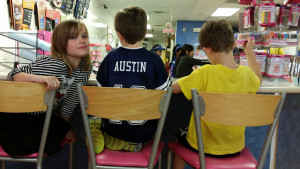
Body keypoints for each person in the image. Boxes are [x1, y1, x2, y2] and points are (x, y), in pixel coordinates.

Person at [171, 20, 262, 169]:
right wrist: (249, 51)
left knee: (178, 138)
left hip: (202, 147)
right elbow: (259, 78)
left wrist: (188, 78)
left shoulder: (204, 72)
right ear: (233, 45)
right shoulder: (246, 74)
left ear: (206, 49)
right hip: (235, 148)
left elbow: (174, 88)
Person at [0, 19, 92, 156]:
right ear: (60, 44)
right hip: (15, 118)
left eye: (84, 36)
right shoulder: (54, 64)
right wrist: (40, 78)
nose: (82, 40)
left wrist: (62, 127)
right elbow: (13, 74)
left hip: (39, 118)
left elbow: (70, 101)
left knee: (54, 137)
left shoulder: (84, 69)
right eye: (73, 37)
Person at [95, 6, 171, 153]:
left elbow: (100, 93)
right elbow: (165, 95)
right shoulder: (154, 60)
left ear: (118, 34)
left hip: (113, 129)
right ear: (144, 34)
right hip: (145, 133)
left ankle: (110, 139)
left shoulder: (110, 58)